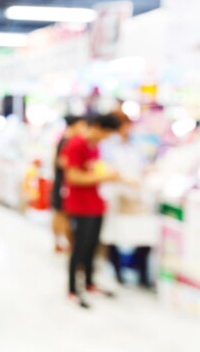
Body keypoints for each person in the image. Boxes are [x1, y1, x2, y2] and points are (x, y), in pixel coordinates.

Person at [62, 113, 121, 309]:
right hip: (80, 205)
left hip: (96, 203)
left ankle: (88, 282)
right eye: (106, 133)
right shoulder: (76, 144)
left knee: (92, 247)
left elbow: (93, 170)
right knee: (78, 248)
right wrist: (102, 177)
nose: (106, 137)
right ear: (97, 127)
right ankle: (72, 288)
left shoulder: (95, 147)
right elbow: (73, 177)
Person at [100, 115, 157, 289]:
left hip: (136, 194)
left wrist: (146, 171)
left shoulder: (136, 145)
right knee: (115, 235)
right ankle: (117, 270)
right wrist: (124, 179)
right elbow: (106, 169)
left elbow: (143, 164)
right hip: (118, 194)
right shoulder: (108, 146)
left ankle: (138, 269)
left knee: (145, 236)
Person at [51, 115, 87, 253]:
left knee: (61, 213)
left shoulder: (65, 139)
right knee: (63, 214)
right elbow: (61, 161)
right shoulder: (68, 141)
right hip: (64, 182)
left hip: (62, 181)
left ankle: (60, 242)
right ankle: (65, 244)